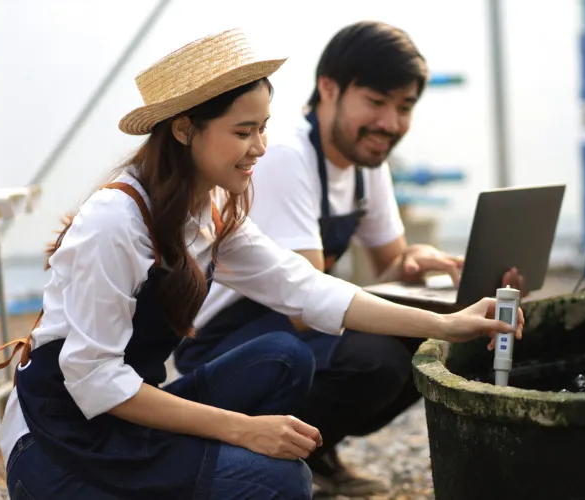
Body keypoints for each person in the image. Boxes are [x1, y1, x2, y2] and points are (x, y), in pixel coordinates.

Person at [0, 28, 524, 500]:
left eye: (264, 127)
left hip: (126, 416)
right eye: (243, 132)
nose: (261, 147)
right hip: (61, 445)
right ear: (183, 129)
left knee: (285, 359)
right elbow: (95, 383)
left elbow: (310, 290)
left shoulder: (210, 209)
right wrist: (242, 431)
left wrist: (448, 324)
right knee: (282, 482)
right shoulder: (116, 222)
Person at [172, 21, 526, 497]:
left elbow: (387, 270)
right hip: (228, 342)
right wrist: (432, 316)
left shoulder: (365, 160)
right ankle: (267, 453)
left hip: (298, 318)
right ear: (328, 89)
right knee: (377, 356)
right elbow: (303, 301)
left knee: (424, 348)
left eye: (404, 108)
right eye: (376, 103)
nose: (390, 123)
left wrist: (424, 268)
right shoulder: (283, 155)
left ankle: (315, 451)